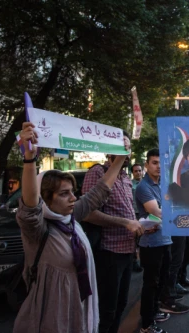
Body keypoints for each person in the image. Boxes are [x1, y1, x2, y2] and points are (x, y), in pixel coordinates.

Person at [13, 121, 130, 333]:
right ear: (46, 198)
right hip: (51, 314)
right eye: (64, 193)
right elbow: (30, 206)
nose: (72, 198)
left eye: (72, 192)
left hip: (78, 307)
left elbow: (100, 191)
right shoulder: (37, 229)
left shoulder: (72, 216)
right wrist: (29, 159)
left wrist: (121, 157)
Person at [82, 133, 145, 333]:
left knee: (120, 305)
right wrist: (125, 223)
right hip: (108, 252)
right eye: (122, 145)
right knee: (106, 310)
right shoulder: (97, 173)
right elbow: (88, 213)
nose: (126, 151)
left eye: (128, 146)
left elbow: (127, 212)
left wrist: (139, 227)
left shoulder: (126, 178)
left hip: (127, 252)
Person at [136, 148, 189, 333]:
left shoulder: (161, 185)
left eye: (161, 163)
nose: (158, 166)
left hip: (165, 239)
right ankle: (146, 325)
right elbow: (157, 212)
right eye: (154, 163)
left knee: (161, 280)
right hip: (151, 244)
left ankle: (155, 310)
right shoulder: (144, 187)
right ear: (146, 165)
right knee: (151, 283)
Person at [131, 163, 144, 272]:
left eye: (140, 170)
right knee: (134, 240)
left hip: (145, 214)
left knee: (144, 238)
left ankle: (144, 261)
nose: (138, 172)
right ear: (133, 173)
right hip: (134, 214)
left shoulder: (146, 183)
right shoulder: (130, 185)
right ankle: (134, 262)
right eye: (136, 171)